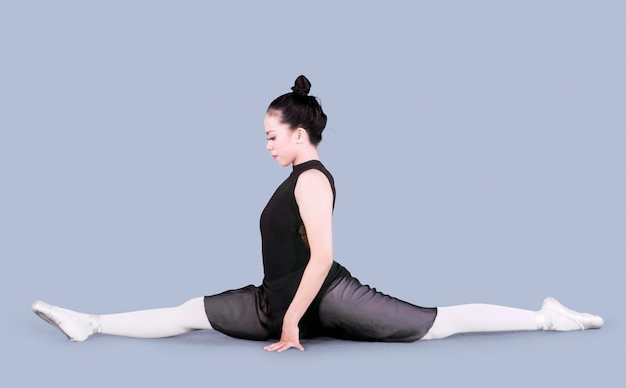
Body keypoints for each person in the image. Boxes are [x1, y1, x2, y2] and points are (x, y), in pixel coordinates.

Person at [32, 75, 604, 352]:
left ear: (299, 134)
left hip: (328, 297)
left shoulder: (310, 180)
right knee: (190, 312)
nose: (267, 146)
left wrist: (289, 323)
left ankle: (546, 317)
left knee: (436, 324)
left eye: (271, 136)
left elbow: (323, 257)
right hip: (277, 297)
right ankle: (93, 323)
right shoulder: (292, 179)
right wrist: (279, 312)